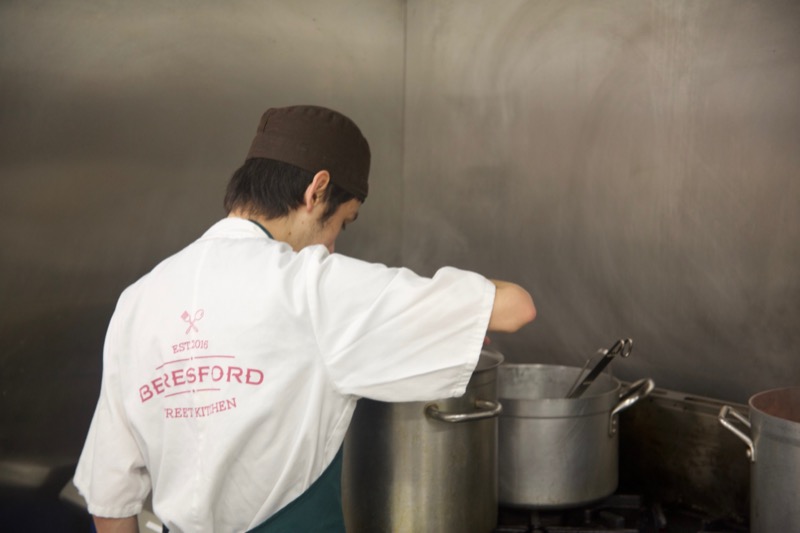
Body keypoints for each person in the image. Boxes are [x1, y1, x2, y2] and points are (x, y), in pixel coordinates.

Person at [74, 105, 536, 533]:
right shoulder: (315, 288)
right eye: (344, 223)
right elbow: (516, 308)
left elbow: (111, 501)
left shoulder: (138, 300)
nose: (333, 245)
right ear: (315, 191)